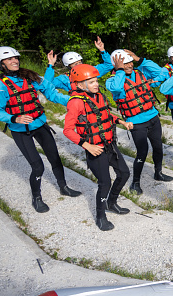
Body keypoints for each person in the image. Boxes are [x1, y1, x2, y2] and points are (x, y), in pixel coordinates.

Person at [0, 46, 82, 213]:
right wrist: (14, 118)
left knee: (55, 158)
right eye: (9, 59)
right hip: (20, 130)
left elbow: (52, 93)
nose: (14, 60)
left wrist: (75, 101)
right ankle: (37, 197)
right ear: (0, 64)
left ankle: (63, 187)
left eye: (15, 57)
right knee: (38, 167)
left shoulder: (30, 77)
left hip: (40, 125)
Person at [63, 64, 133, 231]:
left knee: (124, 173)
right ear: (79, 85)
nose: (96, 84)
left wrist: (121, 121)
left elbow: (105, 115)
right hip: (94, 148)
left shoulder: (99, 96)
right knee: (104, 183)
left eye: (96, 80)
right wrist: (87, 145)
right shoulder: (76, 103)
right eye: (91, 81)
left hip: (109, 144)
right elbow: (67, 130)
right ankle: (101, 216)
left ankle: (112, 202)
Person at [105, 49, 173, 195]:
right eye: (125, 63)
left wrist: (140, 59)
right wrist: (120, 71)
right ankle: (135, 182)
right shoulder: (112, 81)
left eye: (130, 62)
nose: (129, 65)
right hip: (136, 123)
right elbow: (117, 88)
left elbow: (162, 74)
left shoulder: (141, 73)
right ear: (116, 65)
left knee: (158, 148)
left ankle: (158, 173)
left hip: (153, 117)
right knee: (142, 152)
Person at [45, 37, 113, 92]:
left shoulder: (90, 71)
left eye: (79, 62)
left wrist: (102, 50)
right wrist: (50, 64)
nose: (79, 65)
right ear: (68, 66)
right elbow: (47, 83)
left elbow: (109, 65)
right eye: (75, 64)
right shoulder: (65, 79)